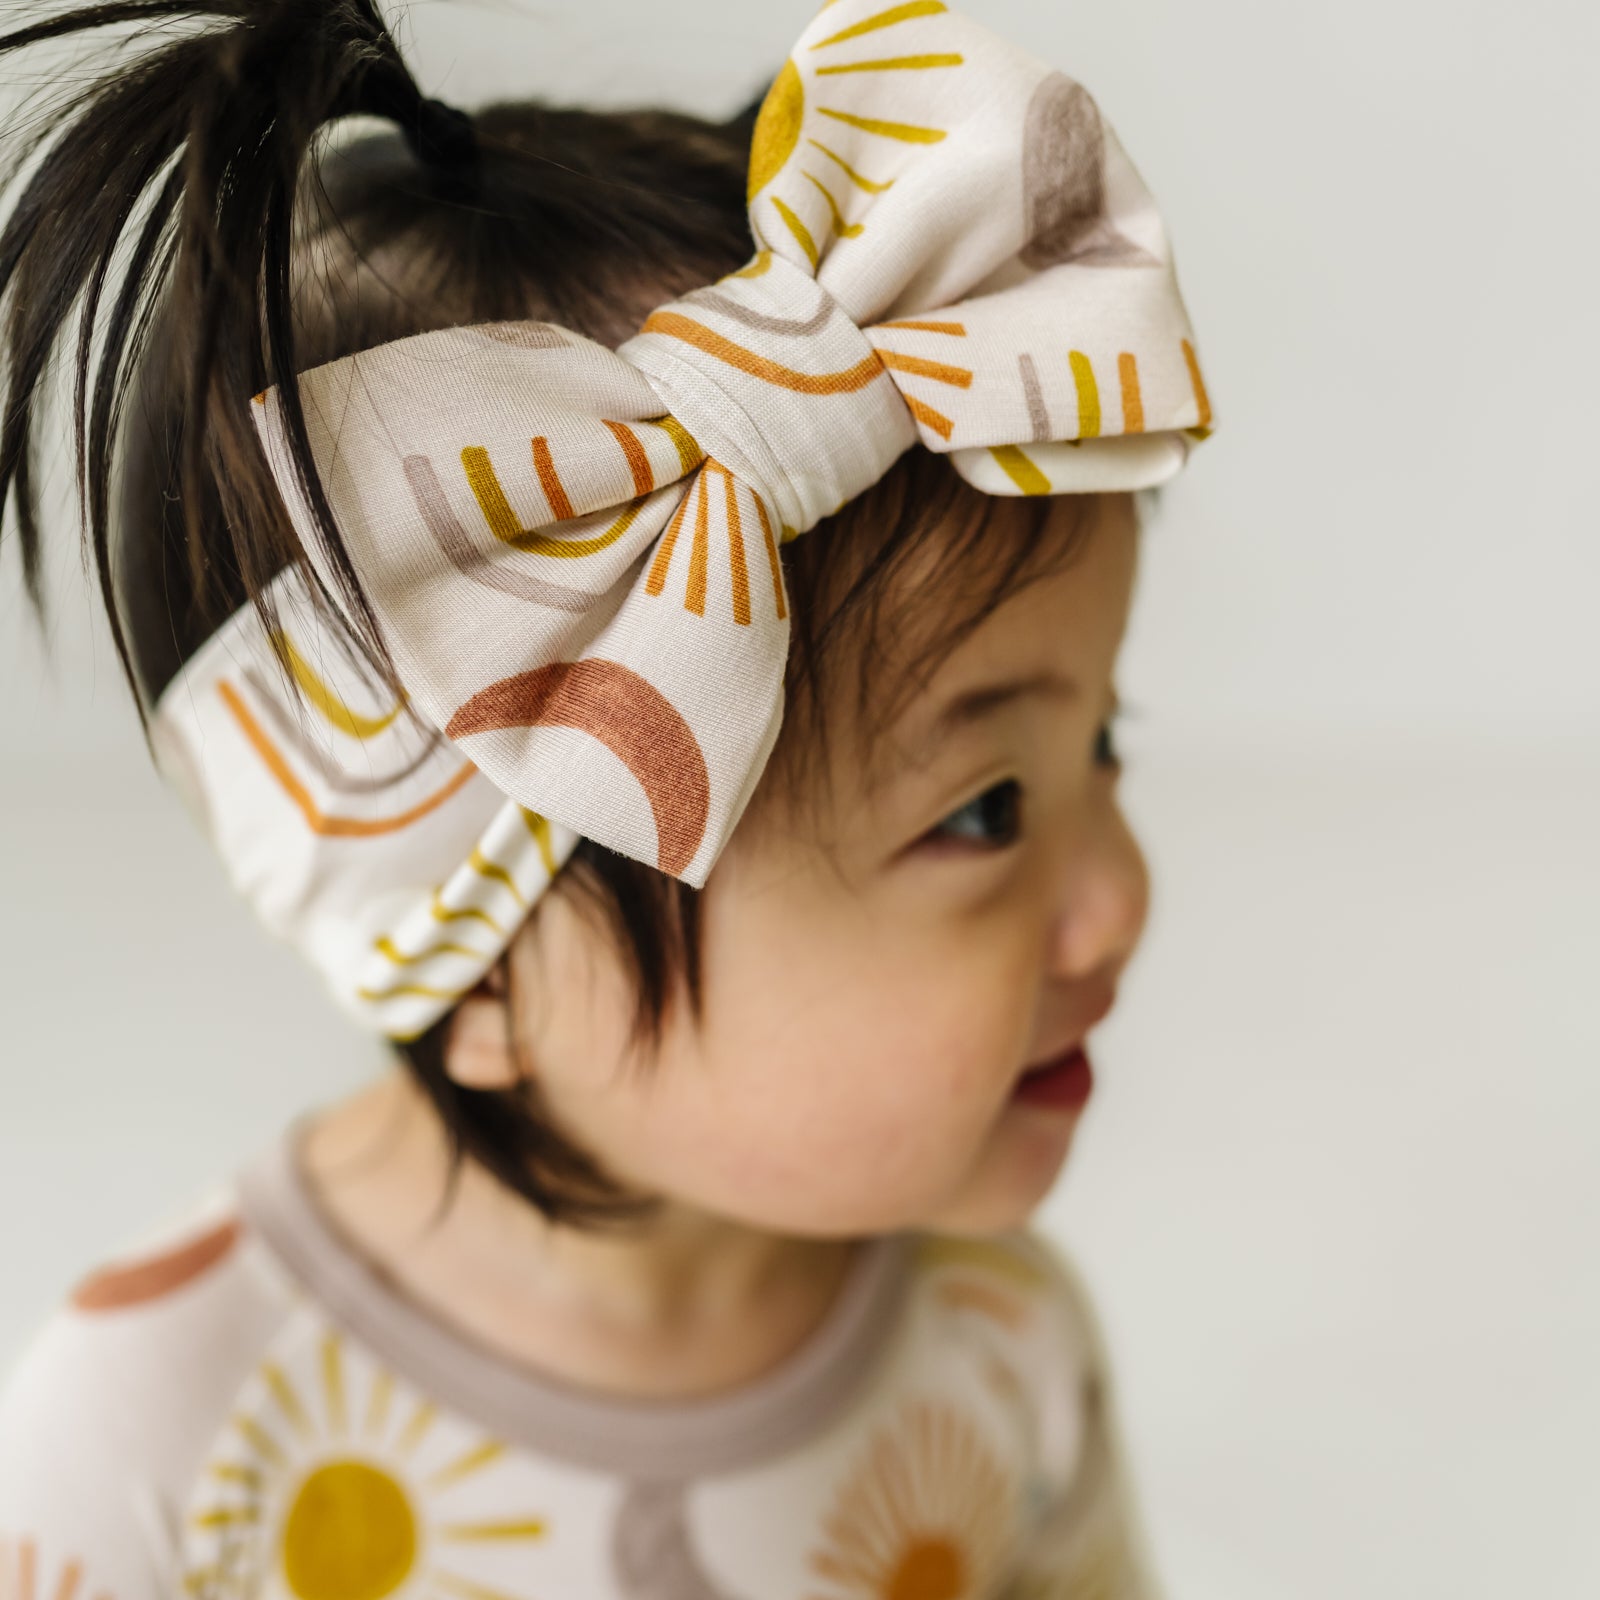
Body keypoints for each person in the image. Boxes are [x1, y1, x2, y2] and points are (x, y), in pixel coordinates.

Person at [0, 0, 1215, 1593]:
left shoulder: (999, 1342)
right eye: (981, 810)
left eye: (1100, 742)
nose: (1122, 891)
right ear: (484, 954)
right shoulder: (155, 1444)